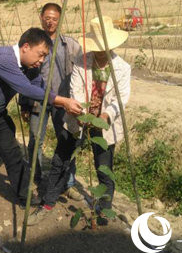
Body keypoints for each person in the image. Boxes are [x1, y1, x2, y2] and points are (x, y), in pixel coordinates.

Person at [0, 27, 83, 251]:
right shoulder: (3, 58)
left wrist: (58, 101)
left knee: (13, 155)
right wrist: (62, 101)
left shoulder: (29, 66)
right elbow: (26, 89)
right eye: (40, 55)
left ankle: (24, 195)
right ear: (25, 47)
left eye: (45, 57)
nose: (42, 61)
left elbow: (38, 86)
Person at [28, 16, 131, 226]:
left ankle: (103, 210)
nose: (99, 52)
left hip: (104, 125)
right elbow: (75, 90)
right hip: (78, 119)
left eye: (103, 48)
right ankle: (48, 203)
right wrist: (82, 114)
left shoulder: (122, 68)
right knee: (60, 161)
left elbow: (121, 99)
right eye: (97, 48)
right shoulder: (81, 62)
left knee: (104, 168)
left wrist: (105, 116)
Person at [19, 3, 82, 200]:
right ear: (41, 18)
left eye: (54, 19)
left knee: (66, 140)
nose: (50, 22)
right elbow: (24, 76)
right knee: (35, 139)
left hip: (62, 101)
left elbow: (82, 70)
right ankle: (36, 178)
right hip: (38, 101)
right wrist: (24, 103)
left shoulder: (69, 45)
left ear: (60, 20)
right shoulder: (33, 43)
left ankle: (67, 183)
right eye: (47, 18)